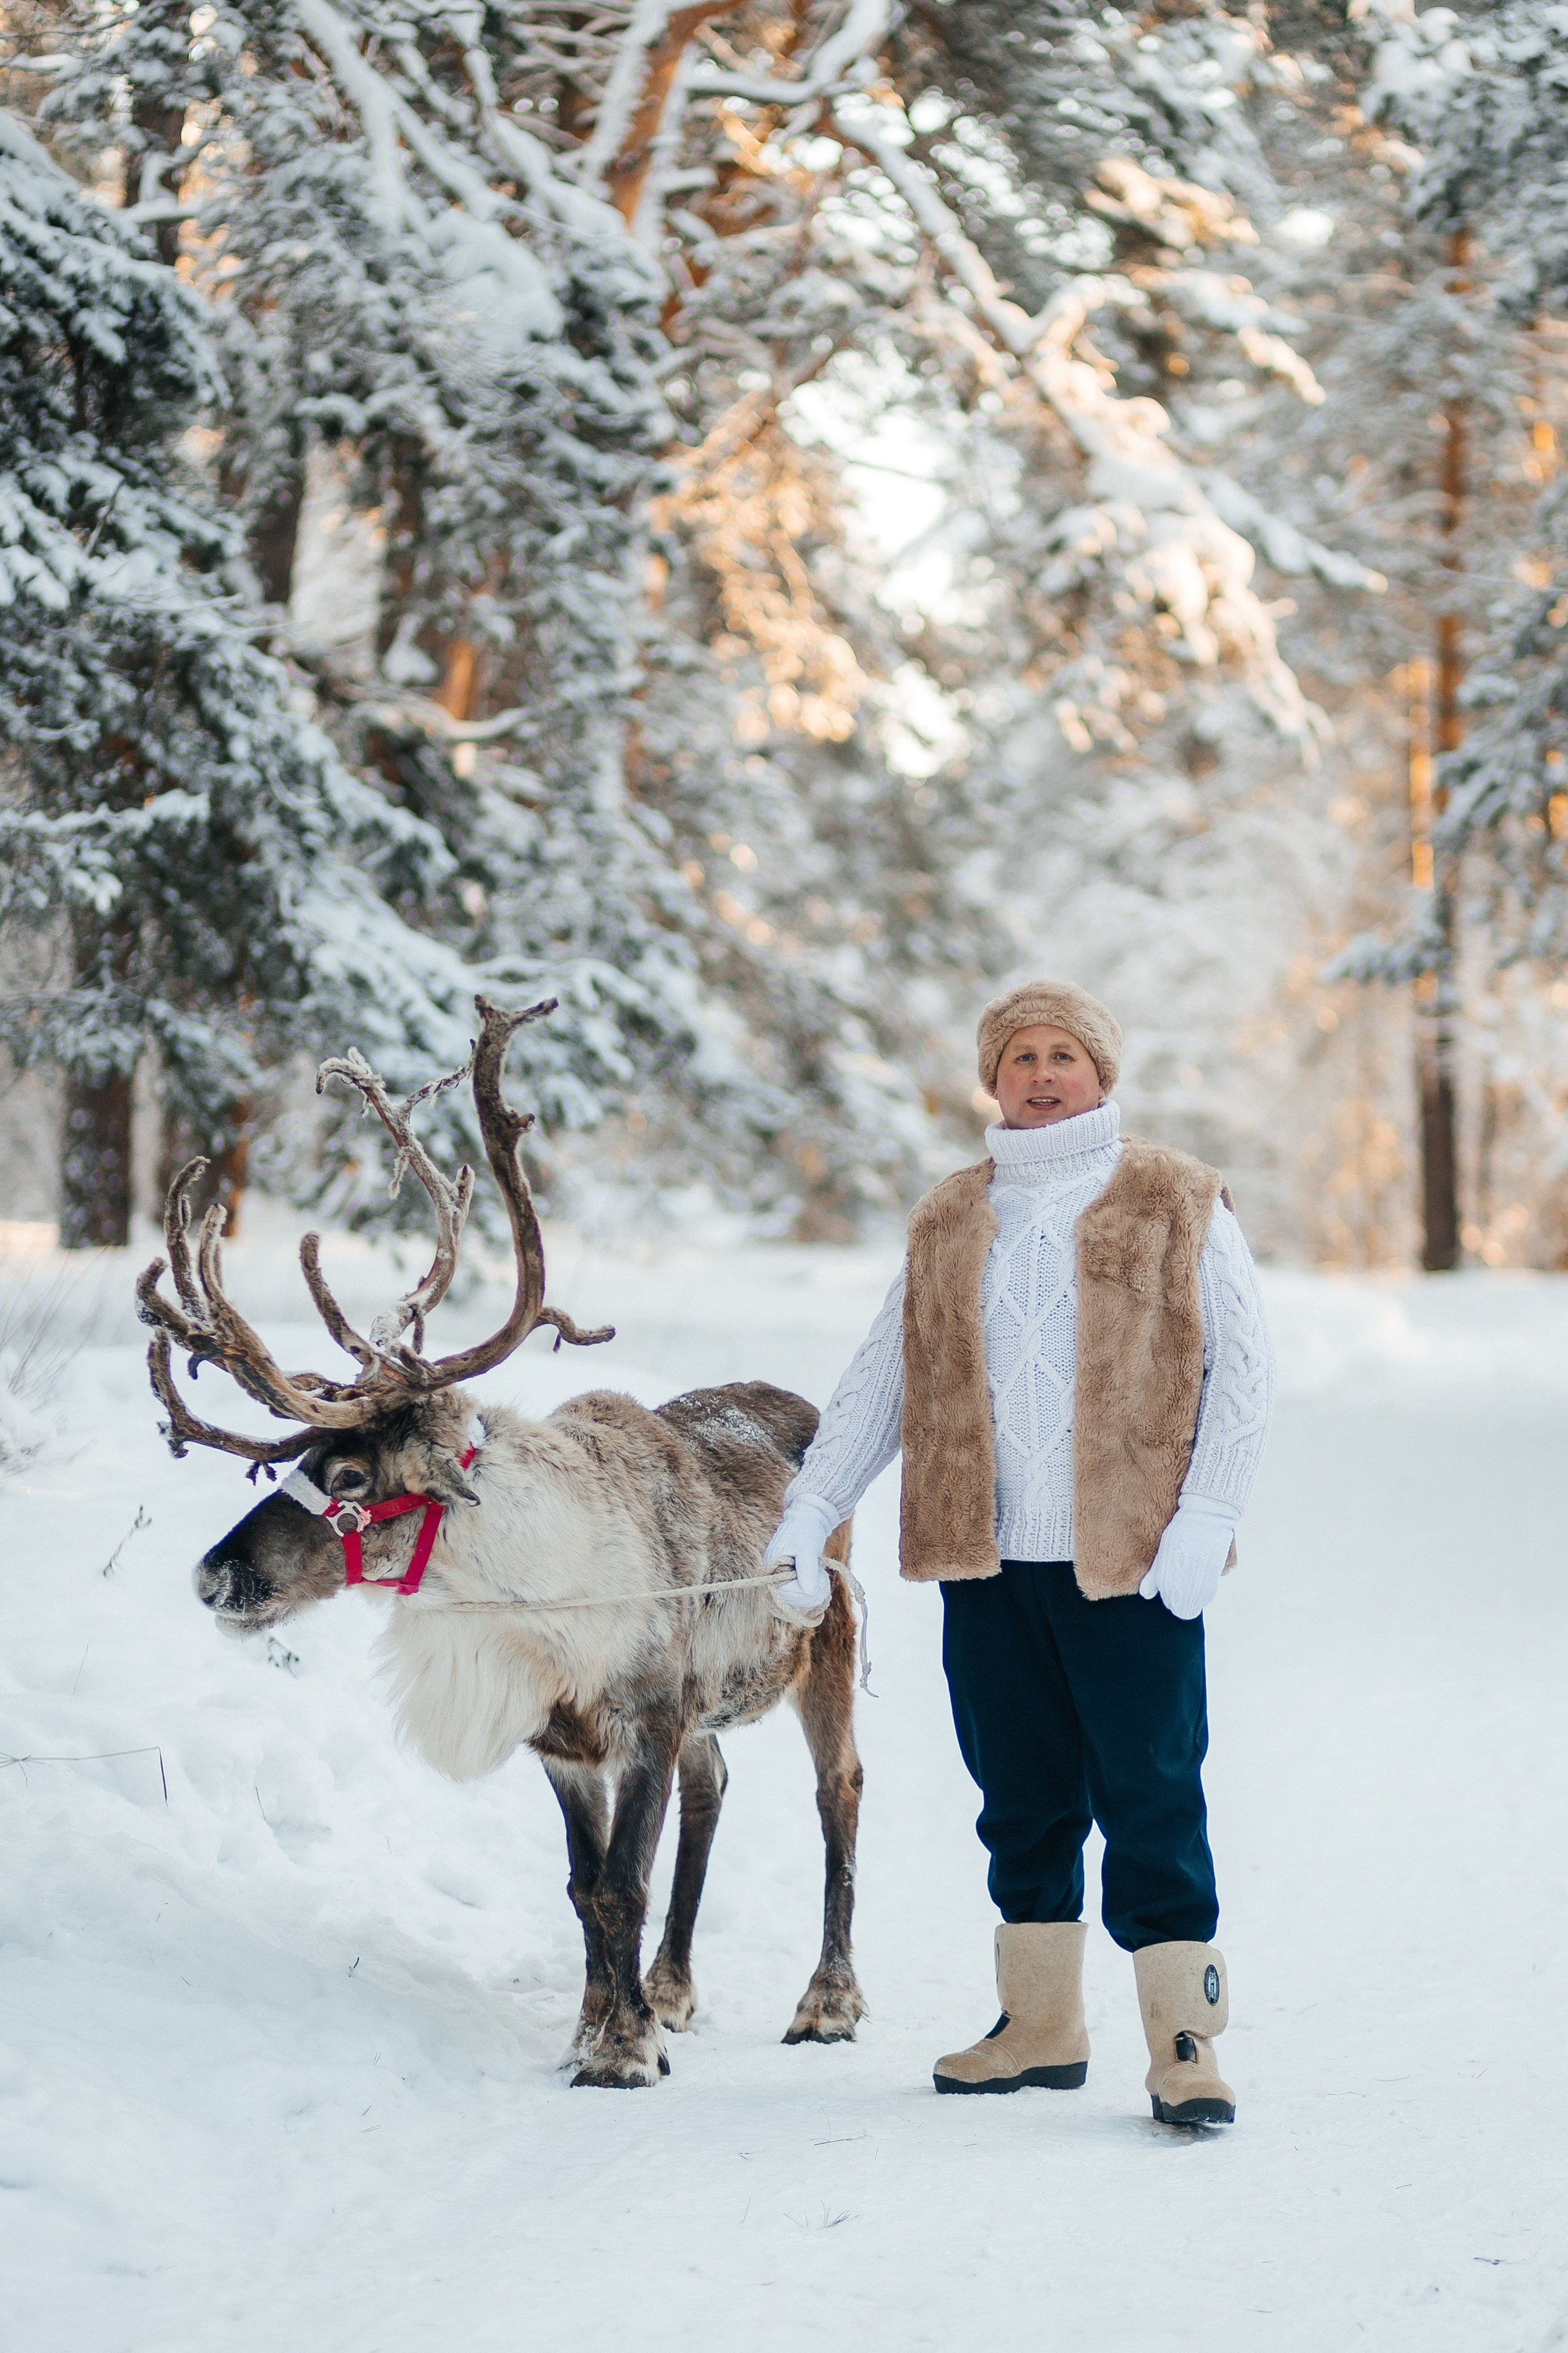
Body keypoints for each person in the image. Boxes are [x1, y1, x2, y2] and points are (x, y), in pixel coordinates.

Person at [763, 980, 1274, 2125]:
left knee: (1150, 1792)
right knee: (1021, 1799)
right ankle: (1039, 2029)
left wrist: (1206, 1518)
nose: (1042, 1074)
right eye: (1019, 1057)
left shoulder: (1176, 1199)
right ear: (990, 1079)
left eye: (1064, 1055)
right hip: (986, 1562)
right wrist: (809, 1511)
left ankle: (1183, 2041)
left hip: (1132, 1565)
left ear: (1100, 1071)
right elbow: (879, 1381)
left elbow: (1241, 1371)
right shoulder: (951, 1216)